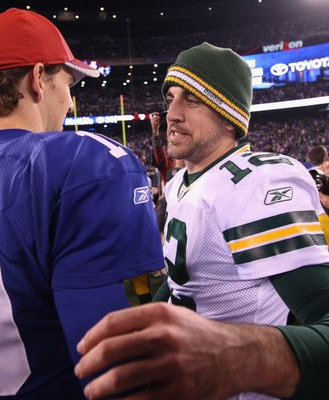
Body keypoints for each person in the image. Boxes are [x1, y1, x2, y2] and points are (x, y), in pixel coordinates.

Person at [0, 8, 164, 399]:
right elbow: (114, 370)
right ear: (39, 79)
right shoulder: (78, 164)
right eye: (68, 83)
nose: (70, 102)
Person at [74, 43, 329, 400]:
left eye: (191, 100)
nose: (172, 113)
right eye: (171, 98)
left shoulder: (256, 183)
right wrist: (146, 325)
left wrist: (239, 357)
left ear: (229, 116)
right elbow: (183, 283)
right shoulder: (182, 182)